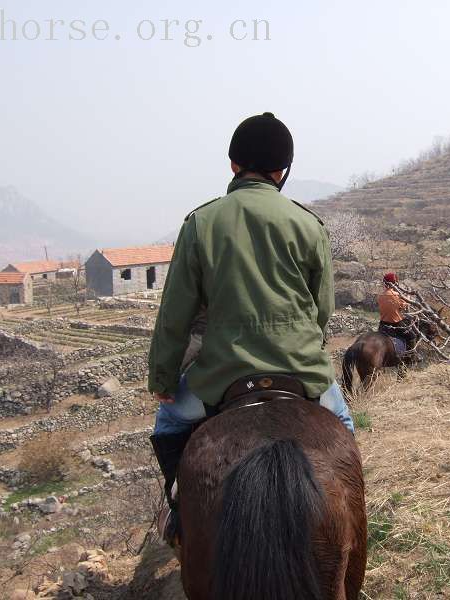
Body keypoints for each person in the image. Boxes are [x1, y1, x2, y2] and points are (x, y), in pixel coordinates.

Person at [148, 112, 354, 544]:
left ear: (232, 165)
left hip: (221, 376)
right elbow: (323, 309)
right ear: (282, 171)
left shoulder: (201, 223)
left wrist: (164, 378)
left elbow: (175, 316)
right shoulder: (309, 224)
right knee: (344, 429)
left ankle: (181, 515)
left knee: (168, 424)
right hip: (302, 372)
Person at [377, 272, 417, 352]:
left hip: (383, 324)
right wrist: (408, 299)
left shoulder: (380, 296)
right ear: (394, 283)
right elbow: (404, 306)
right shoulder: (396, 295)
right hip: (396, 323)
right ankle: (411, 356)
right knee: (412, 336)